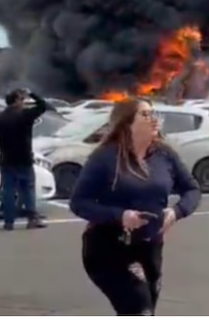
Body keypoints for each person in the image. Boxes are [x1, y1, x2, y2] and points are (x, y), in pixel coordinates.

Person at [69, 97, 201, 316]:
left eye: (154, 113)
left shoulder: (164, 155)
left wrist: (176, 212)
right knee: (139, 309)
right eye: (145, 114)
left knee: (145, 309)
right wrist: (120, 216)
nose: (153, 119)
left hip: (150, 247)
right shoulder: (105, 158)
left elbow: (192, 189)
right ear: (127, 123)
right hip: (108, 248)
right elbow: (79, 202)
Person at [0, 88, 50, 230]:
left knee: (8, 191)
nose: (23, 102)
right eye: (22, 99)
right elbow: (43, 106)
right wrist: (32, 93)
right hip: (24, 159)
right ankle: (31, 219)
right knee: (28, 190)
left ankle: (9, 222)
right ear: (16, 101)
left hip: (6, 160)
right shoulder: (25, 115)